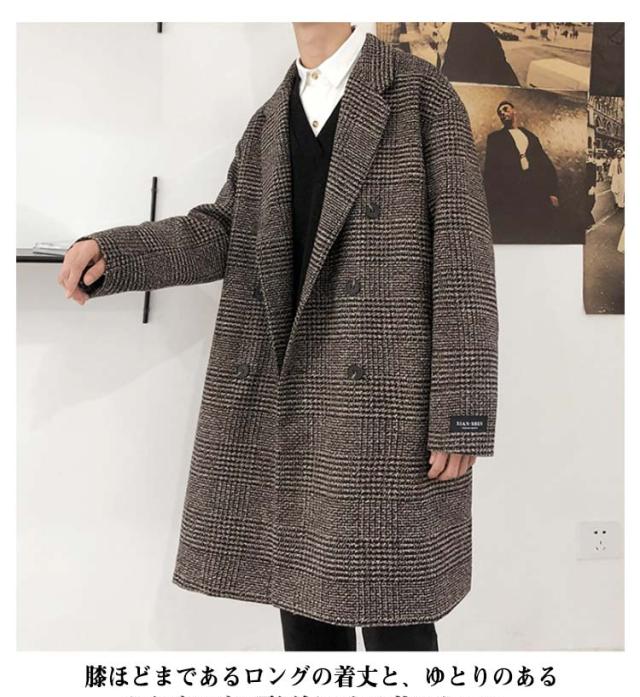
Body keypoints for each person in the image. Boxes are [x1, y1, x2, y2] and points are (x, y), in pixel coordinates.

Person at [57, 23, 498, 651]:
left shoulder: (421, 95)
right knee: (304, 615)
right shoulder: (270, 119)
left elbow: (464, 263)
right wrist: (116, 252)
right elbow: (222, 230)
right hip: (290, 401)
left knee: (396, 617)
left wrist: (463, 420)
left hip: (386, 413)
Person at [483, 99, 559, 243]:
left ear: (514, 111)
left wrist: (552, 192)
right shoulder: (495, 139)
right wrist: (493, 200)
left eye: (505, 109)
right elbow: (490, 170)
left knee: (536, 230)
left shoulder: (530, 136)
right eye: (500, 113)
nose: (502, 113)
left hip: (535, 190)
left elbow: (545, 165)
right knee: (516, 231)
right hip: (511, 194)